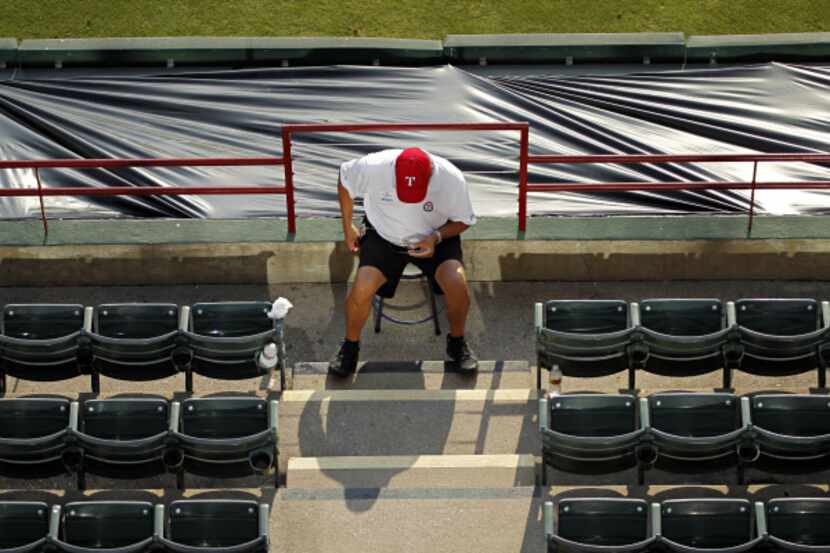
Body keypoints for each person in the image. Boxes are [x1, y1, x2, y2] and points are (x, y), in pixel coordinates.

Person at [329, 147, 479, 376]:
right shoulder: (374, 166)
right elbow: (344, 179)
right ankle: (350, 346)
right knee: (361, 288)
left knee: (457, 283)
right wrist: (347, 227)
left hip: (434, 236)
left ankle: (457, 342)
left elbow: (464, 220)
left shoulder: (451, 178)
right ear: (394, 172)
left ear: (431, 175)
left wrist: (435, 237)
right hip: (383, 236)